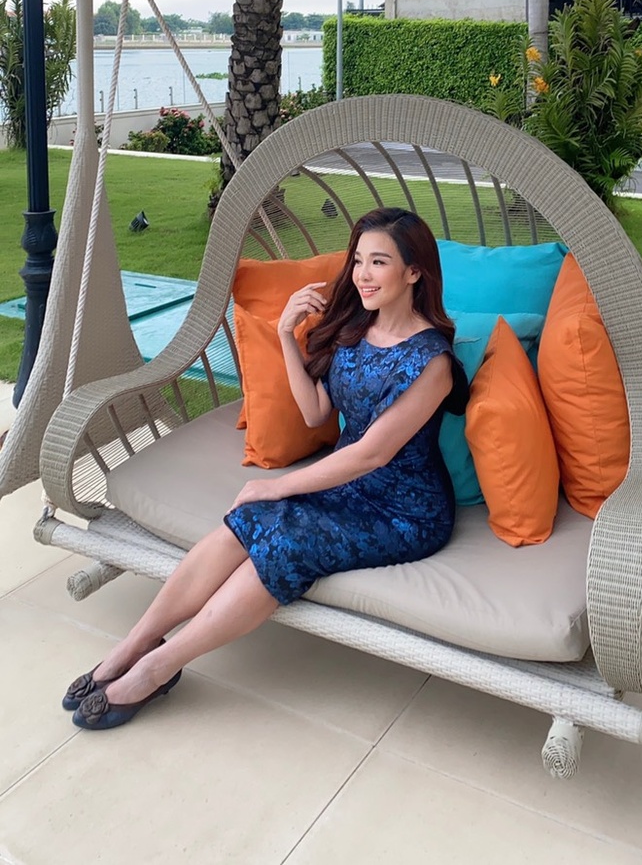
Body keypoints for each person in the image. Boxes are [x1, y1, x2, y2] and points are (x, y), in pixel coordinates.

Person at [65, 207, 468, 730]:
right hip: (344, 484)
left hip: (403, 510)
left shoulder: (431, 361)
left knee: (283, 541)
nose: (362, 275)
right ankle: (134, 646)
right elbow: (316, 413)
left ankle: (157, 668)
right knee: (244, 523)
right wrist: (284, 334)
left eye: (379, 262)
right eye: (358, 260)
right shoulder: (357, 328)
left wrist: (276, 487)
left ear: (414, 271)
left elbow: (372, 453)